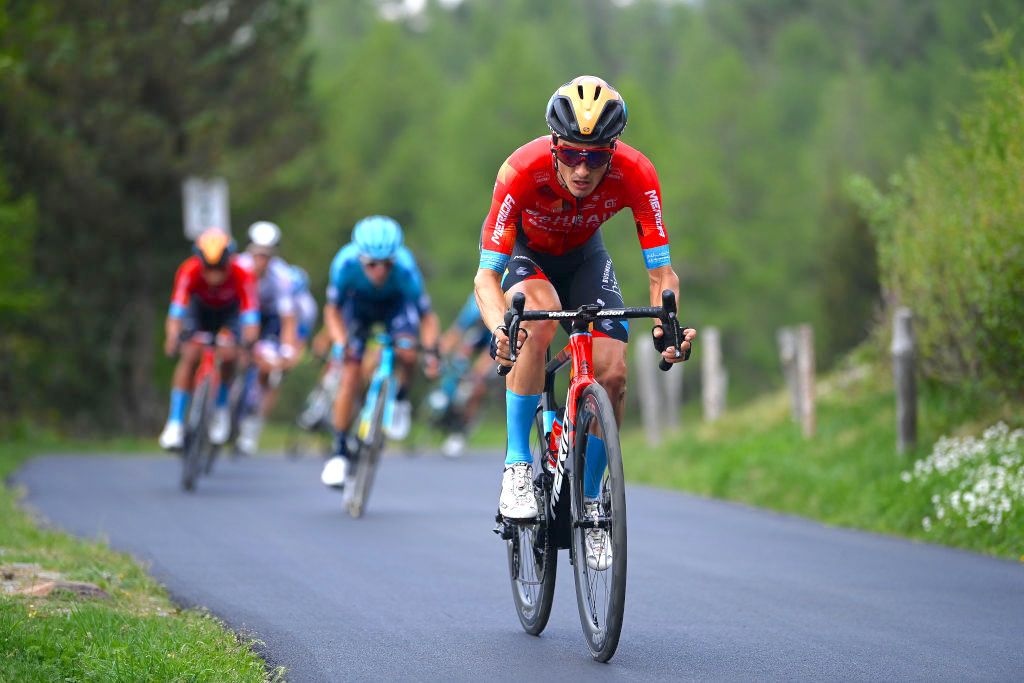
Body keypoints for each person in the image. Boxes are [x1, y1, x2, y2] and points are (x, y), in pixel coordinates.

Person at [472, 75, 696, 570]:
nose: (582, 168)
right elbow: (485, 277)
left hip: (587, 258)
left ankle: (592, 502)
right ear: (554, 145)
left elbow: (662, 274)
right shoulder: (520, 171)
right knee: (538, 317)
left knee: (612, 371)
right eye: (572, 154)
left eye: (596, 158)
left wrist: (670, 327)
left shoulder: (637, 173)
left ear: (612, 152)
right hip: (530, 261)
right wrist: (498, 328)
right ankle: (516, 463)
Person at [320, 215, 441, 488]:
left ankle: (399, 399)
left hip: (394, 306)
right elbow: (332, 311)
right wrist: (340, 343)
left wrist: (432, 352)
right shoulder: (345, 264)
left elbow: (427, 317)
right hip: (358, 309)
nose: (379, 271)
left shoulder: (406, 269)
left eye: (386, 263)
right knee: (350, 373)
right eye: (372, 265)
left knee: (408, 352)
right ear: (360, 258)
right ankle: (338, 453)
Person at [159, 227, 259, 450]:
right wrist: (173, 337)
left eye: (220, 269)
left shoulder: (243, 274)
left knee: (229, 354)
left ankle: (221, 408)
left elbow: (251, 316)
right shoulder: (189, 271)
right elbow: (176, 312)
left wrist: (248, 342)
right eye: (209, 269)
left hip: (229, 313)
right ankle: (174, 422)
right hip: (199, 310)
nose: (214, 276)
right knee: (190, 354)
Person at [234, 221, 299, 455]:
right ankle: (218, 404)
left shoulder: (282, 276)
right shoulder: (236, 266)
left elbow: (288, 318)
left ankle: (253, 425)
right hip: (239, 315)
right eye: (258, 254)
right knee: (228, 352)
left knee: (269, 370)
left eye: (267, 256)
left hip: (268, 320)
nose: (261, 261)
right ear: (250, 251)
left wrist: (288, 349)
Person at [429, 293, 495, 457]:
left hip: (497, 337)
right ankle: (445, 392)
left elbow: (490, 354)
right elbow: (457, 332)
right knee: (459, 358)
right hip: (478, 333)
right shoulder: (475, 303)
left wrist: (477, 373)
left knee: (476, 385)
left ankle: (460, 432)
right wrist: (436, 355)